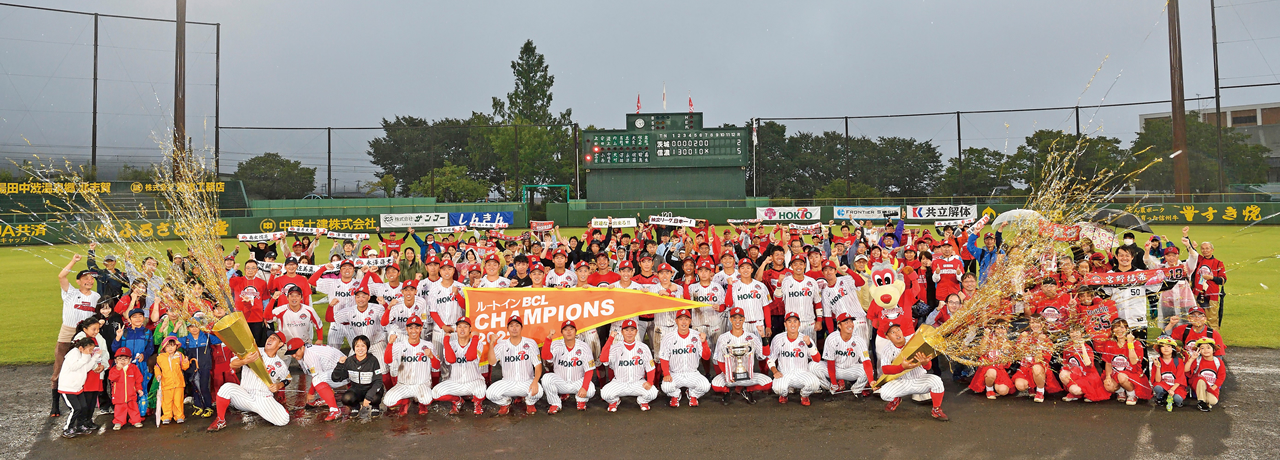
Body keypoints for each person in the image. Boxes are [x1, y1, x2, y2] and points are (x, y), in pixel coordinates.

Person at [207, 332, 293, 431]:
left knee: (284, 420)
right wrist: (244, 361)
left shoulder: (280, 364)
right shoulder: (253, 351)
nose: (270, 339)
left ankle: (265, 410)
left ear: (280, 344)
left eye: (274, 338)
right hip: (244, 395)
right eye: (269, 337)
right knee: (226, 388)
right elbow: (232, 364)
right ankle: (220, 420)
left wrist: (279, 385)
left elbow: (288, 378)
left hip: (263, 398)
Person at [53, 255, 100, 418]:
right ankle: (55, 405)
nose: (89, 280)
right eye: (85, 278)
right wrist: (74, 261)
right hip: (68, 331)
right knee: (59, 366)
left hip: (86, 334)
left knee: (85, 364)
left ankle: (82, 400)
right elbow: (61, 276)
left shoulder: (96, 297)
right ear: (78, 281)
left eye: (91, 278)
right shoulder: (70, 292)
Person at [875, 323, 948, 421]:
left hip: (919, 379)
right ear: (887, 337)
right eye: (892, 332)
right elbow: (885, 369)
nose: (897, 334)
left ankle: (936, 409)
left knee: (937, 381)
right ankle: (896, 399)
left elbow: (928, 367)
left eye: (898, 330)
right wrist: (902, 367)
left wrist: (925, 363)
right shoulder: (887, 350)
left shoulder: (913, 341)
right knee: (884, 393)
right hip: (902, 382)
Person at [711, 308, 772, 405]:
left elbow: (764, 355)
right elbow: (720, 360)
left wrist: (764, 337)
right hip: (730, 375)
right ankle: (727, 392)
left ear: (744, 319)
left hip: (747, 374)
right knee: (715, 385)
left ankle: (747, 390)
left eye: (740, 319)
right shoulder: (723, 338)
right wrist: (728, 374)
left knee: (768, 383)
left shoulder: (751, 337)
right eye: (734, 319)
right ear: (730, 320)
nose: (737, 321)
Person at [486, 315, 545, 415]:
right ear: (507, 329)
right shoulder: (501, 345)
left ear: (521, 328)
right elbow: (492, 362)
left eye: (517, 325)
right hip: (508, 382)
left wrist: (535, 381)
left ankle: (530, 403)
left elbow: (538, 365)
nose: (514, 328)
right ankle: (505, 402)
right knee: (490, 393)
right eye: (511, 326)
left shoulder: (530, 343)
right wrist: (491, 344)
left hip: (526, 381)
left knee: (539, 391)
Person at [431, 316, 488, 415]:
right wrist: (445, 341)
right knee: (435, 393)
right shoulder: (450, 344)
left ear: (470, 329)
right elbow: (451, 360)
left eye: (465, 326)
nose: (462, 329)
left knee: (481, 390)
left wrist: (475, 338)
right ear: (456, 329)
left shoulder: (478, 343)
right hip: (455, 382)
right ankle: (457, 400)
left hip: (473, 381)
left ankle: (478, 403)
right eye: (459, 326)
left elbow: (470, 356)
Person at [600, 319, 659, 412]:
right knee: (605, 393)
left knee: (653, 393)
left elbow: (650, 367)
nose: (629, 333)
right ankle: (614, 401)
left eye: (632, 330)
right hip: (619, 382)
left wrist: (650, 382)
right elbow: (603, 359)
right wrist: (611, 338)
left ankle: (642, 400)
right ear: (622, 332)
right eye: (626, 330)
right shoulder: (615, 347)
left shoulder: (643, 347)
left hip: (638, 382)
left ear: (636, 331)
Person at [540, 320, 597, 413]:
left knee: (590, 389)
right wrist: (548, 339)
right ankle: (555, 403)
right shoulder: (556, 344)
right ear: (561, 332)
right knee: (546, 378)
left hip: (577, 382)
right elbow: (546, 357)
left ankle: (581, 401)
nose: (569, 331)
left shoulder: (584, 346)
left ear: (576, 331)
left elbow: (589, 370)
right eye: (566, 329)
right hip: (561, 382)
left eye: (571, 329)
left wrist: (584, 387)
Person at [658, 310, 712, 407]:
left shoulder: (697, 335)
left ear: (690, 321)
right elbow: (664, 357)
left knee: (705, 386)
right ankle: (675, 394)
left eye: (686, 319)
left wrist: (704, 343)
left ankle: (692, 394)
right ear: (676, 321)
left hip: (692, 373)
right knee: (666, 387)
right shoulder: (668, 337)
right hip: (675, 374)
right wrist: (666, 373)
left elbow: (706, 356)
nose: (683, 322)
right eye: (681, 319)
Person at [768, 312, 823, 406]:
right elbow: (770, 359)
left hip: (802, 373)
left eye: (795, 321)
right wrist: (775, 371)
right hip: (784, 373)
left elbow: (817, 359)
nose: (792, 324)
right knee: (778, 388)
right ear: (785, 324)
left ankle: (804, 395)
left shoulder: (805, 339)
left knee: (815, 384)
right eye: (789, 321)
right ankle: (783, 394)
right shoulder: (778, 338)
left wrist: (809, 344)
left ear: (799, 323)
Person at [813, 313, 874, 398]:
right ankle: (828, 387)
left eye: (851, 322)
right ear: (839, 326)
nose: (850, 325)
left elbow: (867, 362)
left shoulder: (859, 340)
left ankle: (857, 390)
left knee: (868, 371)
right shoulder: (832, 339)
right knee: (812, 366)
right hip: (835, 368)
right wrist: (834, 382)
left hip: (851, 369)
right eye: (846, 322)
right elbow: (830, 363)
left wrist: (871, 381)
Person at [1097, 319, 1152, 405]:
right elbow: (1108, 363)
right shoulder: (1109, 343)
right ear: (1112, 330)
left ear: (1127, 329)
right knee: (1108, 385)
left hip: (1132, 374)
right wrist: (1108, 377)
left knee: (1121, 376)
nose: (1119, 330)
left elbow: (1134, 362)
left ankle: (1132, 394)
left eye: (1122, 327)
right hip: (1116, 374)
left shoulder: (1136, 343)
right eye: (1116, 327)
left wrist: (1130, 343)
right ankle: (1121, 390)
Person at [58, 337, 103, 437]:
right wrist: (86, 357)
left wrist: (94, 357)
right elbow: (74, 367)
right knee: (76, 408)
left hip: (78, 387)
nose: (91, 352)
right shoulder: (73, 353)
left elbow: (86, 369)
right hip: (68, 388)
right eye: (90, 350)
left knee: (83, 406)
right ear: (81, 348)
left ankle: (79, 426)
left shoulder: (84, 356)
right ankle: (67, 428)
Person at [331, 335, 385, 418]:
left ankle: (375, 406)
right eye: (357, 346)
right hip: (357, 389)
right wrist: (340, 365)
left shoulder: (373, 360)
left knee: (375, 397)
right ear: (354, 347)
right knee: (346, 398)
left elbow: (378, 381)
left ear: (367, 347)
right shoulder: (349, 361)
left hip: (370, 388)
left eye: (363, 346)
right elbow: (336, 378)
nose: (360, 349)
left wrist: (368, 397)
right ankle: (355, 406)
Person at [179, 314, 222, 418]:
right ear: (188, 328)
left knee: (204, 387)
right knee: (195, 387)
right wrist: (176, 328)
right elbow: (169, 340)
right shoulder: (186, 340)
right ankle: (198, 406)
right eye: (192, 326)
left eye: (197, 326)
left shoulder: (207, 337)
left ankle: (208, 407)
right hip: (191, 368)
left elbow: (221, 339)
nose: (194, 328)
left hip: (205, 366)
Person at [1182, 227, 1226, 328]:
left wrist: (1212, 278)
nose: (1205, 251)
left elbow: (1223, 280)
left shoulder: (1218, 263)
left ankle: (1213, 340)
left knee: (1212, 319)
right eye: (1203, 249)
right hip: (1197, 294)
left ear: (1212, 250)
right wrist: (1185, 235)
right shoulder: (1199, 259)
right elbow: (1192, 251)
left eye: (1207, 248)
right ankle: (1198, 339)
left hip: (1212, 295)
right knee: (1196, 318)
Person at [1011, 315, 1061, 403]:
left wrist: (1040, 343)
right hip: (1025, 368)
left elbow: (1038, 360)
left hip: (1039, 368)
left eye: (1037, 322)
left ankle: (1040, 391)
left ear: (1042, 324)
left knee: (1036, 368)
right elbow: (1018, 356)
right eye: (1032, 322)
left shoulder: (1047, 340)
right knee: (1020, 385)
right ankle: (1032, 387)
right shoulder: (1025, 336)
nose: (1035, 325)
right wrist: (1022, 341)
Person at [777, 257, 823, 342]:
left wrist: (819, 320)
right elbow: (777, 300)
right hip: (791, 323)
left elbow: (818, 302)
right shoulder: (786, 281)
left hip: (809, 322)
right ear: (791, 266)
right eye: (795, 264)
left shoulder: (812, 282)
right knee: (793, 350)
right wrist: (779, 284)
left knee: (810, 351)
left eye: (801, 264)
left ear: (805, 265)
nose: (798, 266)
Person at [1059, 327, 1109, 402]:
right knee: (1062, 374)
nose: (1074, 334)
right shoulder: (1068, 347)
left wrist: (1082, 346)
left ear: (1082, 335)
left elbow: (1088, 363)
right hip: (1076, 376)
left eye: (1077, 332)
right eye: (1072, 332)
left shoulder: (1087, 348)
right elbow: (1065, 364)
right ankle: (1077, 394)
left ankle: (1083, 392)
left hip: (1088, 377)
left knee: (1074, 390)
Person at [967, 321, 1014, 399]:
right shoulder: (989, 339)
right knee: (992, 372)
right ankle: (989, 389)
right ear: (994, 329)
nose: (1001, 331)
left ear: (1007, 330)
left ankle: (992, 384)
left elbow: (1007, 364)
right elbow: (981, 351)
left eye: (1003, 329)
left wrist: (1005, 353)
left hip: (999, 369)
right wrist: (986, 336)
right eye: (998, 328)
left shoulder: (1008, 343)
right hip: (987, 368)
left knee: (1003, 391)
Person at [154, 335, 190, 424]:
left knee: (178, 401)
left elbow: (184, 368)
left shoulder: (180, 355)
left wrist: (186, 363)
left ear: (176, 346)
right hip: (166, 383)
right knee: (166, 401)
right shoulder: (160, 357)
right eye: (168, 346)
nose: (170, 348)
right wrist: (158, 375)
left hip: (178, 383)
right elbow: (157, 368)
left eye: (173, 346)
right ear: (164, 347)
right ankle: (166, 416)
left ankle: (179, 416)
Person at [107, 347, 144, 430]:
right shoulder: (114, 369)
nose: (122, 361)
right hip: (118, 395)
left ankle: (136, 420)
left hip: (131, 394)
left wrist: (139, 389)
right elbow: (112, 378)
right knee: (119, 409)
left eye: (125, 358)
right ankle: (119, 422)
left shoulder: (133, 368)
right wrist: (118, 369)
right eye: (120, 358)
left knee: (133, 408)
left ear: (130, 360)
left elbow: (138, 379)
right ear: (116, 360)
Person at [1186, 337, 1226, 412]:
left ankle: (1203, 402)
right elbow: (1186, 370)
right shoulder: (1197, 360)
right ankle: (1201, 401)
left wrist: (1215, 386)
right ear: (1199, 350)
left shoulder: (1218, 362)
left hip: (1210, 386)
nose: (1205, 350)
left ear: (1213, 350)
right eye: (1202, 348)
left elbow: (1221, 376)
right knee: (1201, 380)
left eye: (1208, 348)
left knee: (1213, 401)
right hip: (1198, 384)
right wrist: (1192, 359)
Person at [1150, 336, 1187, 412]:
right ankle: (1161, 397)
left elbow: (1180, 379)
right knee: (1157, 387)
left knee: (1178, 399)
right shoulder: (1157, 361)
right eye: (1163, 346)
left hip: (1176, 387)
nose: (1166, 348)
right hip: (1164, 385)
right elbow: (1157, 380)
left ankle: (1169, 396)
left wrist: (1172, 390)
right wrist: (1158, 367)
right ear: (1159, 349)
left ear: (1173, 349)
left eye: (1169, 346)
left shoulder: (1178, 361)